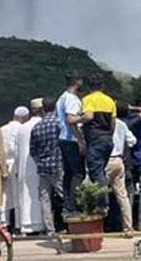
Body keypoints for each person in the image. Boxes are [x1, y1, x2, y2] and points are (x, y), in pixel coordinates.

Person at [29, 98, 63, 237]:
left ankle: (50, 230)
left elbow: (33, 152)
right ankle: (70, 223)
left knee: (44, 199)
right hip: (58, 165)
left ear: (43, 108)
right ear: (55, 108)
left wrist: (40, 162)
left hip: (43, 168)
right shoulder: (59, 124)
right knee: (65, 196)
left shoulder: (37, 127)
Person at [80, 74, 117, 193]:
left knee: (95, 173)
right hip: (107, 139)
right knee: (101, 171)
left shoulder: (87, 99)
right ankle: (105, 198)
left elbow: (89, 116)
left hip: (95, 139)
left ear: (89, 87)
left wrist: (75, 120)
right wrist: (109, 135)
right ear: (102, 86)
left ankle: (102, 203)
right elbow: (113, 123)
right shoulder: (109, 100)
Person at [56, 72, 86, 215]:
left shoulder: (61, 98)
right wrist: (80, 140)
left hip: (63, 138)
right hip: (71, 138)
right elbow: (71, 120)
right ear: (77, 82)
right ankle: (73, 206)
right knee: (78, 174)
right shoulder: (72, 99)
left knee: (68, 173)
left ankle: (67, 205)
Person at [14, 100, 44, 234]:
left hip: (23, 168)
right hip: (39, 166)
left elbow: (16, 151)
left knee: (25, 196)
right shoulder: (42, 125)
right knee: (39, 196)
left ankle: (25, 226)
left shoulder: (22, 128)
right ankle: (40, 225)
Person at [108, 101, 137, 232]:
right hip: (119, 160)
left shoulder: (103, 124)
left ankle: (99, 224)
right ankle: (128, 226)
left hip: (107, 160)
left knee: (95, 191)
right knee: (122, 195)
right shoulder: (122, 124)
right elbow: (132, 141)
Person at [0, 106, 29, 228]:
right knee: (18, 195)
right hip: (16, 163)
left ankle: (3, 222)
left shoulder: (2, 129)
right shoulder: (22, 129)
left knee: (5, 195)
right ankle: (18, 223)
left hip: (4, 162)